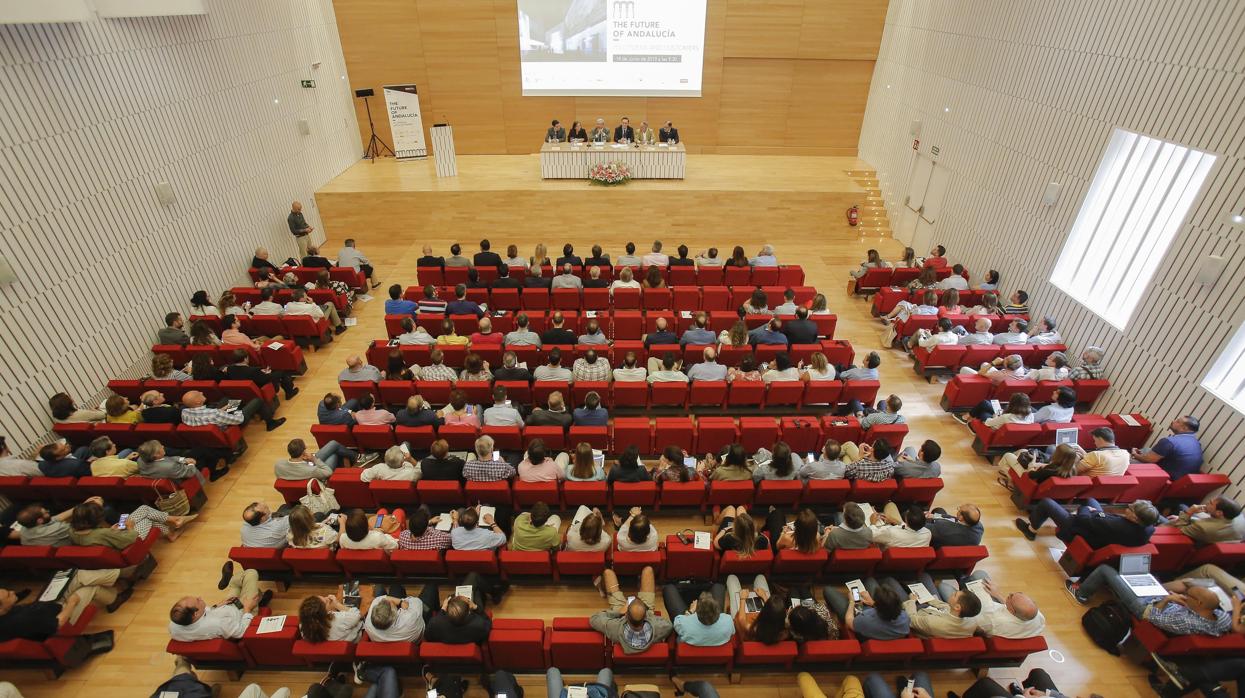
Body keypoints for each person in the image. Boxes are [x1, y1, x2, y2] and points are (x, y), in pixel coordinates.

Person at [1067, 564, 1231, 637]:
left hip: (1144, 608)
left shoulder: (1186, 622)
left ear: (1200, 604)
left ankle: (1081, 594)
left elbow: (1150, 616)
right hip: (1159, 600)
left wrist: (1167, 599)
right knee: (1146, 575)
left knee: (1105, 570)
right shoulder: (1221, 617)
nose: (1186, 595)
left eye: (1190, 595)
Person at [168, 564, 271, 641]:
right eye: (197, 600)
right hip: (242, 612)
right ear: (195, 613)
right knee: (251, 573)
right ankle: (257, 598)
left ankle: (232, 581)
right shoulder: (218, 624)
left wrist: (216, 606)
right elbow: (242, 632)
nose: (199, 597)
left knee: (237, 585)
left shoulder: (174, 627)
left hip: (225, 608)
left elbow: (203, 619)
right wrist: (248, 609)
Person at [1015, 497, 1159, 547]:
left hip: (1080, 530)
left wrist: (1085, 509)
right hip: (1100, 528)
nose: (1128, 507)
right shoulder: (1148, 528)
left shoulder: (1117, 525)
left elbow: (1083, 519)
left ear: (1135, 518)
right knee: (1091, 500)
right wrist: (1094, 511)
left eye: (1131, 508)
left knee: (1047, 503)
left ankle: (1031, 530)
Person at [589, 566, 672, 653]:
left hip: (623, 613)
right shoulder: (658, 628)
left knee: (608, 573)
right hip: (644, 612)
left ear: (626, 615)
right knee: (648, 570)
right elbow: (669, 625)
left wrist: (618, 612)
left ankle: (601, 586)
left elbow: (594, 618)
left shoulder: (614, 628)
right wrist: (645, 613)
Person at [823, 579, 910, 640]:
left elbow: (849, 622)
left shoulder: (865, 621)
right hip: (877, 624)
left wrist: (852, 602)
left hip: (860, 623)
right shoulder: (905, 617)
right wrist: (872, 603)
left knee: (828, 590)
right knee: (870, 580)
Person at [423, 573, 499, 644]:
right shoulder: (479, 625)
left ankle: (483, 594)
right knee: (474, 582)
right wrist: (475, 607)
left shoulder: (435, 624)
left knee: (472, 590)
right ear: (469, 611)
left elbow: (429, 638)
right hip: (472, 636)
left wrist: (442, 610)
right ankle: (494, 593)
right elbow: (488, 624)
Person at [1132, 415, 1204, 479]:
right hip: (1182, 477)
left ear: (1184, 428)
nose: (1173, 421)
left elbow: (1148, 460)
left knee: (1125, 460)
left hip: (1165, 477)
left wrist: (1135, 454)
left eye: (1177, 421)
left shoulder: (1169, 442)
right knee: (1147, 450)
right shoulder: (1196, 443)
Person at [181, 389, 285, 432]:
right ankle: (270, 423)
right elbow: (238, 419)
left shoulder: (184, 413)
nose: (201, 392)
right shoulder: (215, 414)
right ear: (198, 403)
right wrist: (237, 410)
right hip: (232, 423)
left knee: (228, 400)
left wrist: (225, 409)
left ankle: (251, 411)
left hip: (214, 419)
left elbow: (212, 415)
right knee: (257, 401)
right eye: (199, 394)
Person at [666, 585, 733, 647]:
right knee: (718, 586)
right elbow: (732, 633)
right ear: (718, 611)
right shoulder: (728, 621)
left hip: (689, 645)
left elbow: (676, 624)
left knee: (669, 589)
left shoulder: (683, 624)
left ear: (697, 612)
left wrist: (690, 611)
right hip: (716, 650)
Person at [1164, 497, 1243, 544]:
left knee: (1160, 518)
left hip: (1190, 540)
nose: (1208, 502)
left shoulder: (1203, 527)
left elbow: (1179, 531)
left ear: (1219, 513)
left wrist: (1189, 512)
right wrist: (1184, 517)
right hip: (1217, 532)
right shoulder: (1239, 516)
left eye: (1211, 503)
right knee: (1181, 506)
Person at [298, 590, 363, 643]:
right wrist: (337, 604)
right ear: (323, 613)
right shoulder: (339, 619)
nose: (327, 598)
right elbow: (357, 614)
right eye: (326, 601)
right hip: (354, 639)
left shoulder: (304, 626)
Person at [275, 437, 355, 480]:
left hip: (306, 466)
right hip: (315, 473)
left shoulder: (278, 465)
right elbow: (328, 472)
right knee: (334, 454)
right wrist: (314, 460)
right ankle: (353, 461)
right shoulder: (311, 471)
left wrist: (307, 461)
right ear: (303, 453)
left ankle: (355, 457)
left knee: (333, 444)